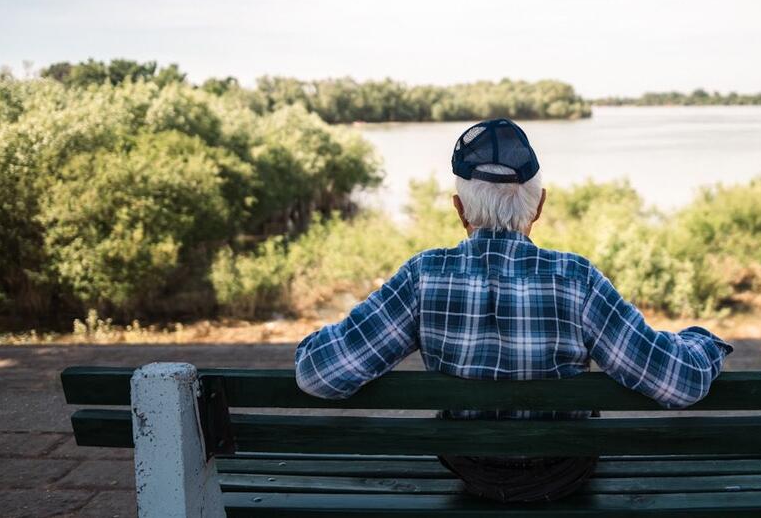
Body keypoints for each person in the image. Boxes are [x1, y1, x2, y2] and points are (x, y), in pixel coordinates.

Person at [295, 118, 734, 502]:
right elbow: (682, 382)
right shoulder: (575, 279)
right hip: (564, 474)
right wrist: (703, 342)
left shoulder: (422, 275)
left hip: (471, 470)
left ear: (459, 208)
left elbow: (318, 374)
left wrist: (316, 338)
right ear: (538, 207)